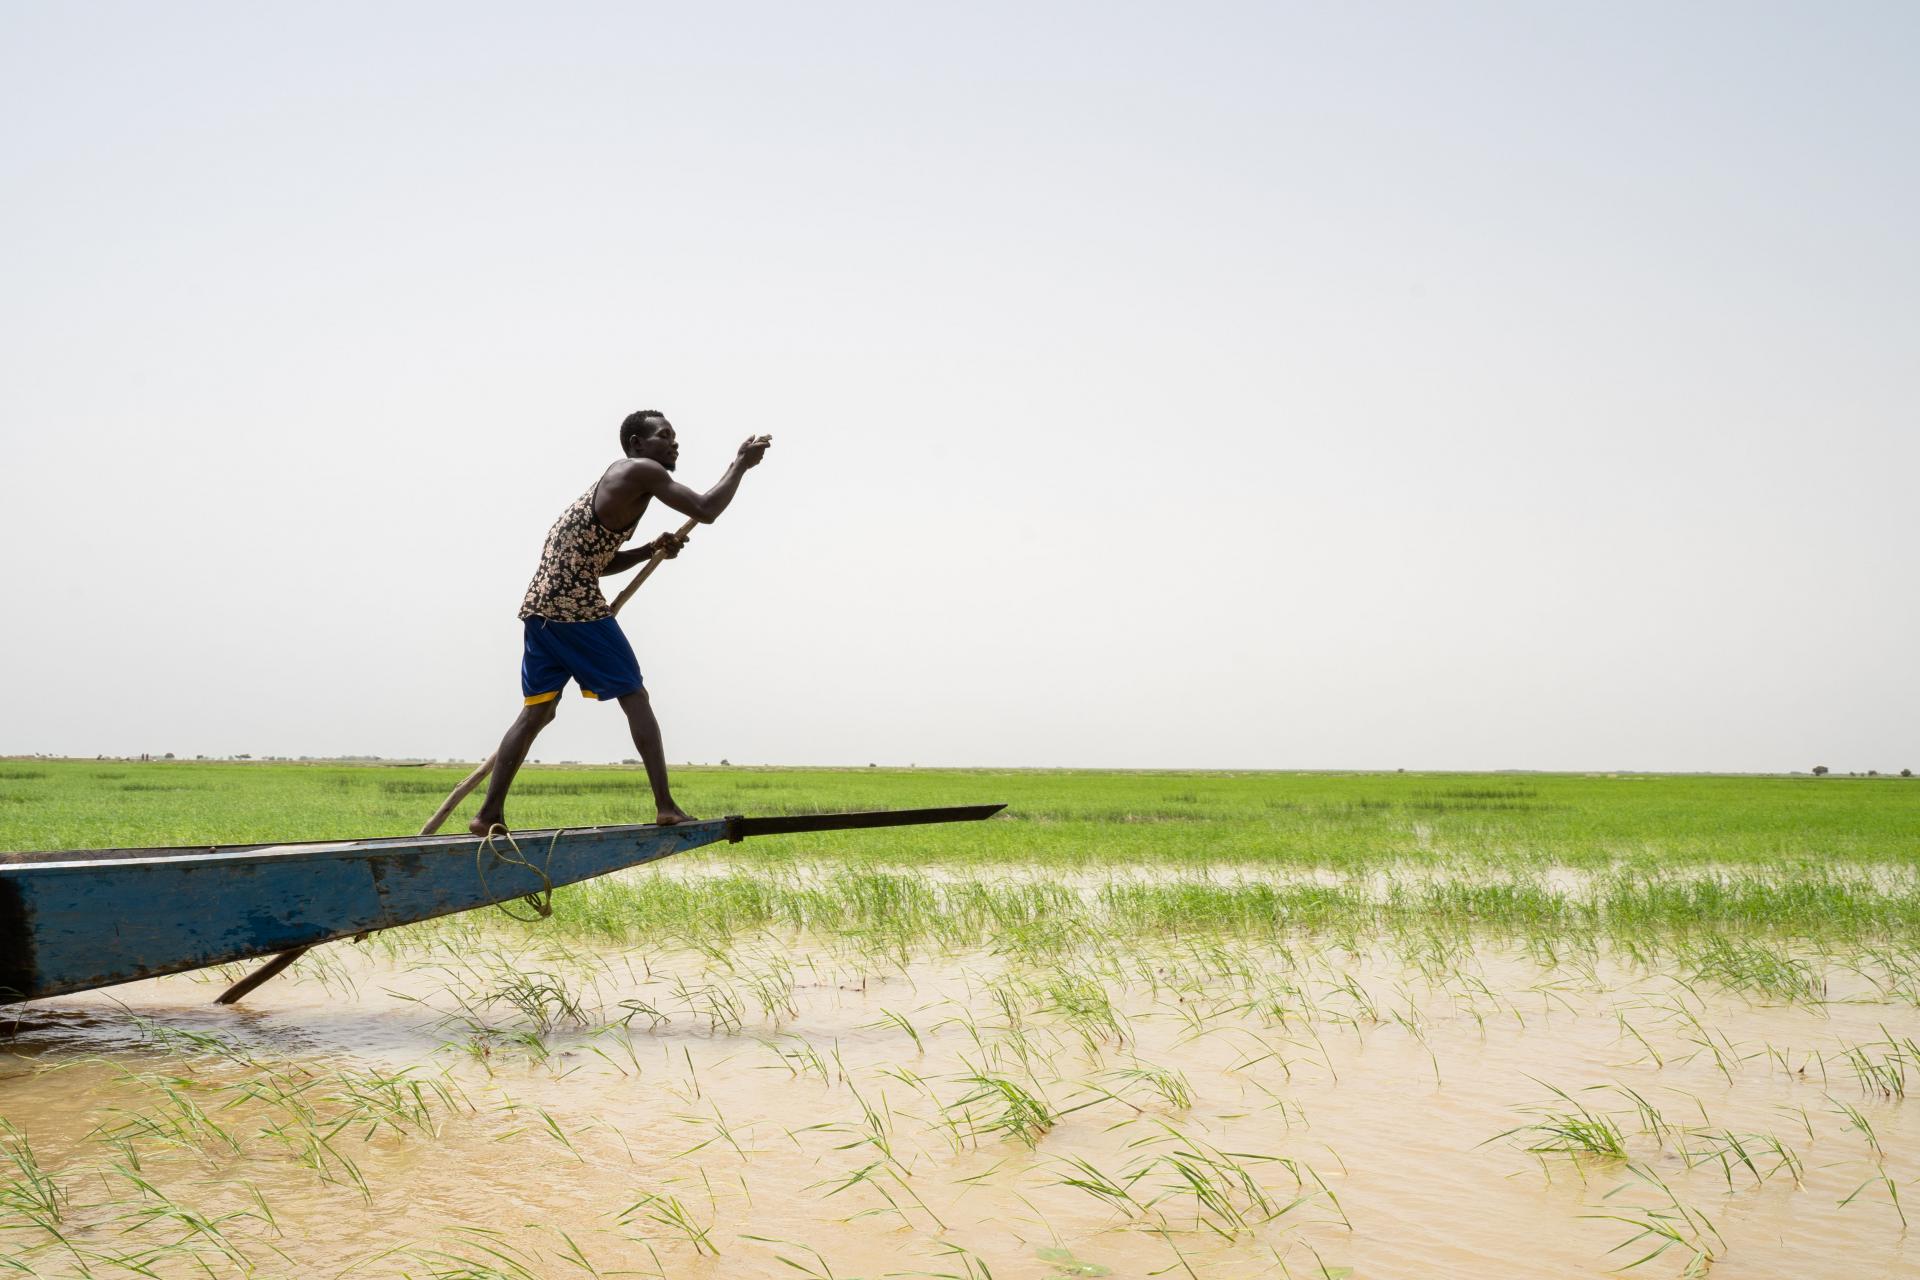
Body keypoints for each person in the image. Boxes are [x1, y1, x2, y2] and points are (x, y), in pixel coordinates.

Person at [468, 410, 771, 834]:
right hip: (574, 610)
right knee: (635, 695)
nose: (674, 444)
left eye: (675, 437)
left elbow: (597, 562)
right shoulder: (640, 471)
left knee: (537, 713)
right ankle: (666, 806)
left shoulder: (620, 482)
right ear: (636, 444)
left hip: (541, 610)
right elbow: (705, 509)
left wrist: (649, 549)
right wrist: (739, 465)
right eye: (664, 436)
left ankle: (487, 815)